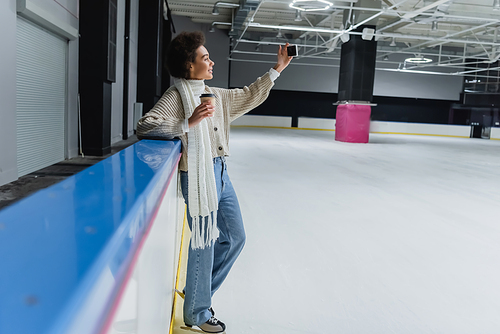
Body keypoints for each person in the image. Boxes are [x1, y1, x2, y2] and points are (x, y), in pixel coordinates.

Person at [136, 31, 292, 333]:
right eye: (205, 58)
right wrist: (188, 122)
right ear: (188, 65)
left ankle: (197, 292)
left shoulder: (216, 95)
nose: (212, 62)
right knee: (204, 244)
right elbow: (146, 125)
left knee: (235, 237)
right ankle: (197, 312)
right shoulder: (176, 96)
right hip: (197, 176)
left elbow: (248, 94)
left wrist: (278, 69)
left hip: (220, 173)